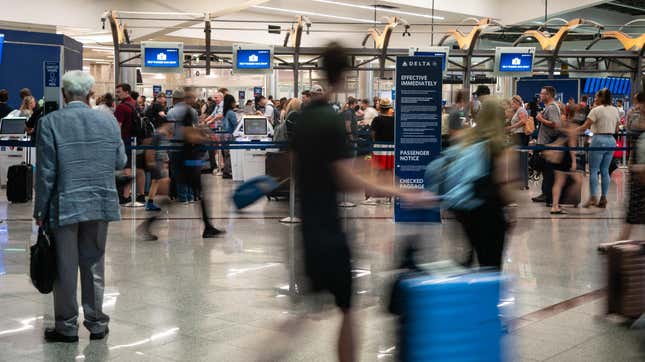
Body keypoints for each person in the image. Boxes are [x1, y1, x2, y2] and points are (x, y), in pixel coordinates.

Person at [282, 43, 423, 362]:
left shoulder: (302, 117)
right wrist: (401, 191)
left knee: (308, 313)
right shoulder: (330, 120)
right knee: (347, 309)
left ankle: (262, 354)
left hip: (310, 228)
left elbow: (303, 166)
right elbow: (347, 177)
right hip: (328, 233)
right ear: (345, 75)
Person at [34, 70, 127, 343]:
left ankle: (67, 326)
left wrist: (40, 211)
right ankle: (97, 323)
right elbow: (119, 162)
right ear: (90, 94)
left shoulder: (50, 122)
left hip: (65, 204)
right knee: (94, 263)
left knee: (65, 267)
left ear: (64, 94)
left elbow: (46, 174)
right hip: (100, 202)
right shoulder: (109, 121)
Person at [426, 97, 516, 270]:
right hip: (489, 210)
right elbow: (504, 182)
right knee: (491, 265)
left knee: (469, 257)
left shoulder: (467, 139)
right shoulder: (500, 145)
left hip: (465, 208)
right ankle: (485, 292)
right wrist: (512, 209)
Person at [167, 88, 224, 238]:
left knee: (197, 190)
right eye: (192, 96)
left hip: (181, 153)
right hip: (186, 155)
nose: (194, 99)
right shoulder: (188, 112)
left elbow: (171, 131)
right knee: (199, 191)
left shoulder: (173, 111)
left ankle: (207, 225)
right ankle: (207, 226)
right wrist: (204, 137)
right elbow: (189, 133)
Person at [576, 88, 620, 208]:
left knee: (594, 170)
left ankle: (593, 197)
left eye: (596, 97)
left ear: (601, 98)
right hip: (611, 140)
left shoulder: (596, 110)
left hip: (598, 140)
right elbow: (617, 129)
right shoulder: (615, 110)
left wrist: (572, 131)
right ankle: (604, 198)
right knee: (605, 170)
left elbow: (585, 127)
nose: (595, 99)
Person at [619, 91, 645, 240]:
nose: (636, 106)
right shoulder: (635, 116)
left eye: (638, 103)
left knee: (633, 211)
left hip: (640, 170)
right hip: (637, 170)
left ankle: (622, 240)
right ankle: (622, 240)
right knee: (632, 211)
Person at [114, 83, 145, 204]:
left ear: (126, 92)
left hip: (126, 140)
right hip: (137, 140)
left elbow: (118, 126)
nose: (117, 94)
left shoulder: (122, 107)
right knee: (139, 167)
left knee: (127, 167)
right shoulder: (135, 103)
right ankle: (141, 195)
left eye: (119, 92)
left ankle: (126, 196)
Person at [549, 104, 583, 214]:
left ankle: (555, 205)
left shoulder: (562, 122)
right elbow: (572, 145)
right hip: (566, 156)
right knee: (578, 180)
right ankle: (566, 201)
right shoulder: (573, 126)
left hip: (559, 154)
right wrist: (574, 161)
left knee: (558, 182)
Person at [532, 86, 561, 205]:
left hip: (548, 143)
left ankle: (548, 195)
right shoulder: (548, 107)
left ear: (548, 95)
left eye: (542, 93)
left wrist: (540, 119)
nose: (540, 95)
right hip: (544, 141)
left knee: (548, 170)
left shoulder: (552, 108)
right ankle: (545, 193)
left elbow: (555, 124)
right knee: (544, 169)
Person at [363, 98, 395, 206]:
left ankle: (371, 195)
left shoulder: (377, 119)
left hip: (379, 147)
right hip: (391, 149)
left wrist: (374, 141)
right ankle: (389, 196)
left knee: (376, 171)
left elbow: (372, 133)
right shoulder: (394, 119)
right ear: (389, 108)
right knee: (390, 172)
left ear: (380, 108)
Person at [505, 95, 530, 189]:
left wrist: (511, 127)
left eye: (513, 103)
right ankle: (521, 182)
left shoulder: (521, 110)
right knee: (519, 159)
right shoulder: (518, 111)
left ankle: (522, 182)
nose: (512, 105)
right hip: (518, 135)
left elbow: (523, 121)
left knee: (521, 160)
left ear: (517, 103)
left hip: (521, 136)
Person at [220, 94, 238, 179]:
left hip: (223, 135)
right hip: (229, 135)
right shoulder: (231, 112)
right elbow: (236, 125)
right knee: (229, 155)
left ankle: (226, 171)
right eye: (234, 102)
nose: (235, 103)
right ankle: (226, 172)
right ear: (231, 103)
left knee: (226, 154)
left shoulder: (225, 112)